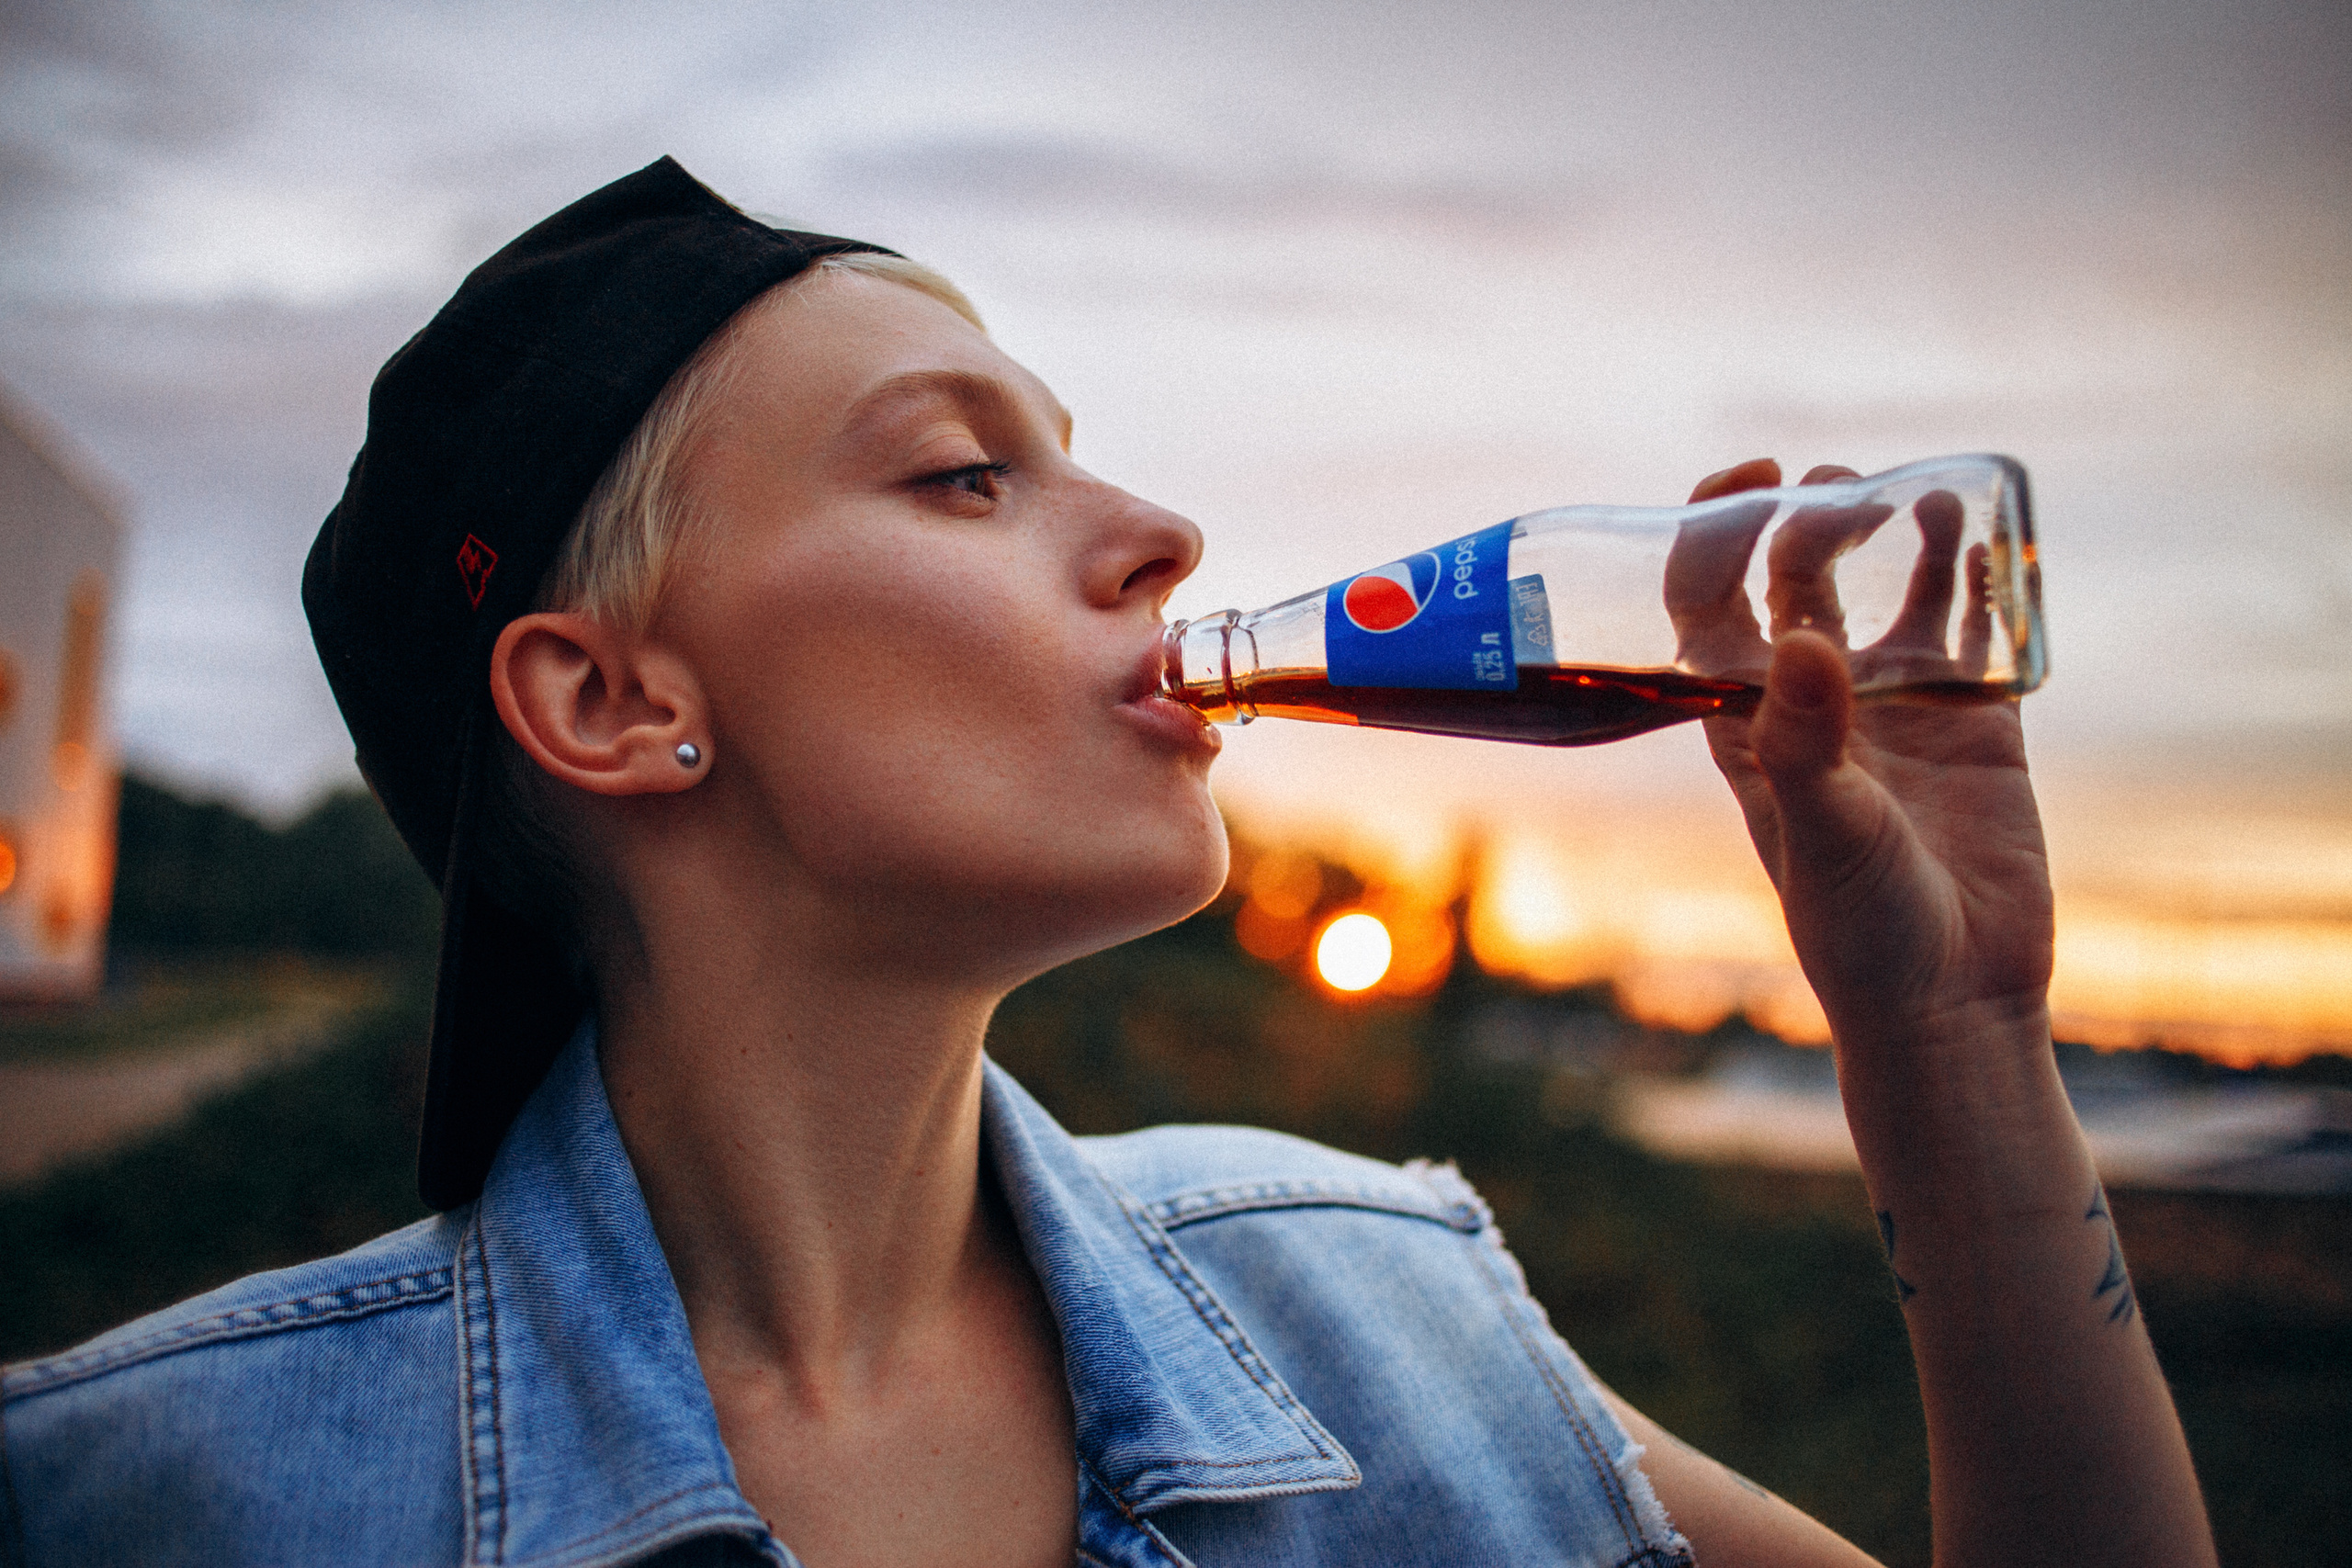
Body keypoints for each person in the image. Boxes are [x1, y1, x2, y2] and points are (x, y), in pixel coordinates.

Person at [0, 158, 2215, 1568]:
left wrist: (1948, 1037)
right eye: (961, 473)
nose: (1156, 534)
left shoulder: (1382, 1314)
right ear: (609, 702)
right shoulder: (155, 1494)